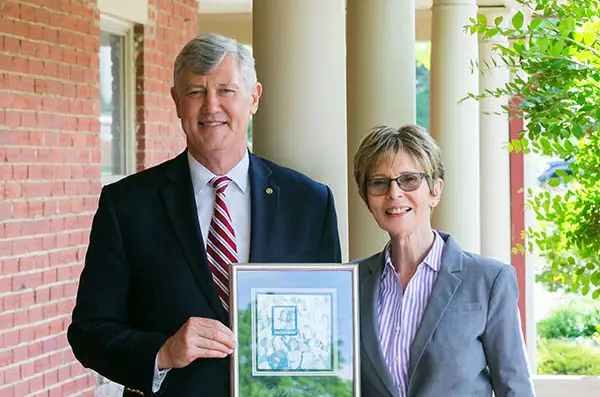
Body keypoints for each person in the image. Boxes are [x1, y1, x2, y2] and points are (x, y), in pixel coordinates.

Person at [67, 33, 341, 397]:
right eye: (196, 92)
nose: (211, 107)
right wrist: (162, 352)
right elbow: (89, 330)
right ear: (177, 102)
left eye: (226, 90)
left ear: (254, 98)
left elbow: (328, 329)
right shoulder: (127, 205)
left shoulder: (309, 202)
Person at [352, 125, 535, 397]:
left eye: (409, 180)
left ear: (435, 190)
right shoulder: (351, 282)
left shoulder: (489, 281)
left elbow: (515, 390)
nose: (394, 193)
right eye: (379, 182)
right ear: (366, 198)